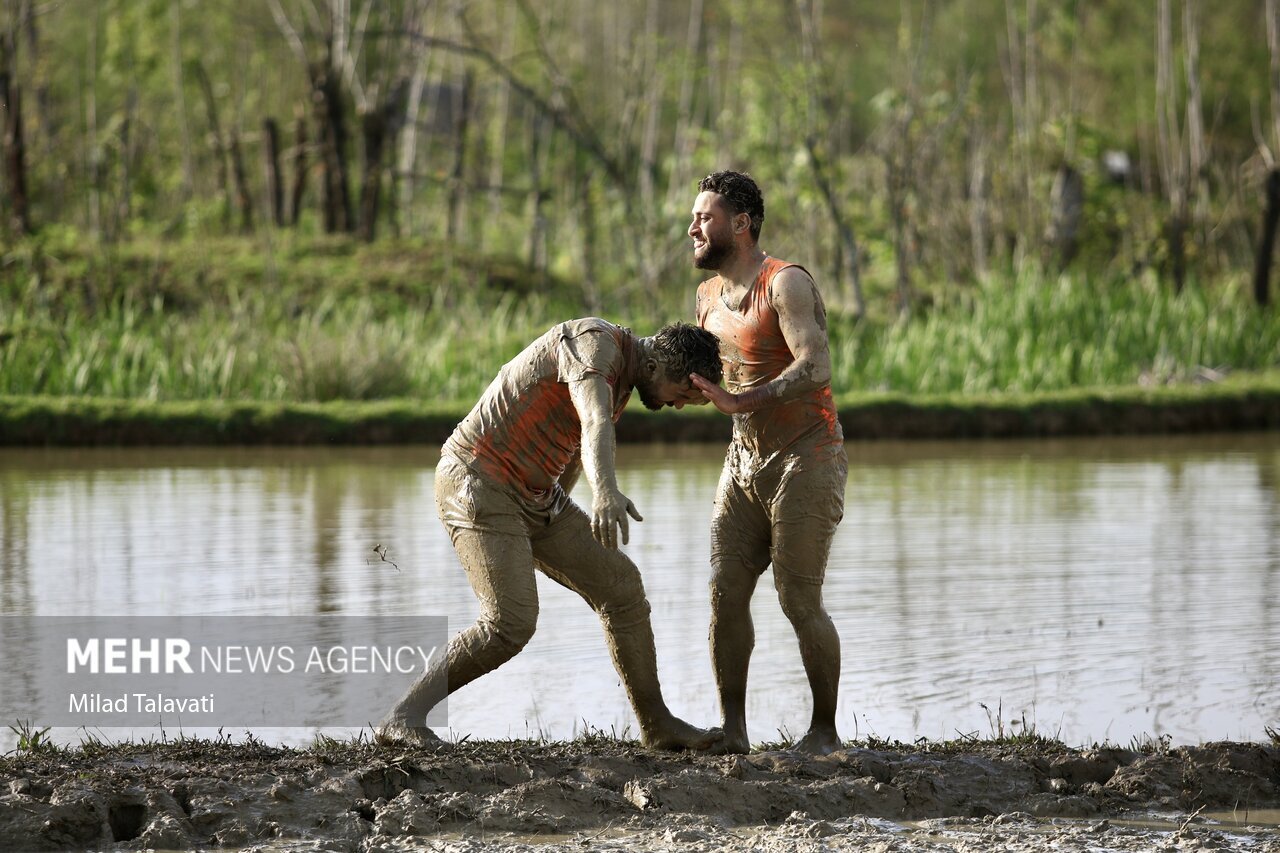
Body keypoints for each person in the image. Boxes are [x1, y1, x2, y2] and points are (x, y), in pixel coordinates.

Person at [379, 318, 723, 751]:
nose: (677, 407)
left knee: (622, 589)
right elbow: (595, 421)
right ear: (655, 366)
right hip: (478, 481)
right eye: (682, 396)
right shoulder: (595, 347)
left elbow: (578, 444)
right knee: (509, 623)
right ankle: (403, 715)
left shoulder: (625, 377)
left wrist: (565, 528)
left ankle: (657, 727)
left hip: (537, 496)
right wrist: (606, 492)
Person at [687, 170, 848, 756]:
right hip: (742, 464)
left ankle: (824, 734)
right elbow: (716, 374)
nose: (692, 228)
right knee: (724, 590)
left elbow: (815, 366)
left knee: (797, 597)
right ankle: (733, 730)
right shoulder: (706, 297)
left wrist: (741, 401)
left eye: (703, 218)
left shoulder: (787, 285)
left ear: (741, 224)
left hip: (808, 456)